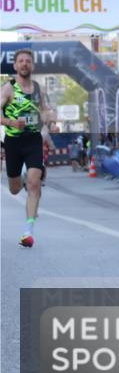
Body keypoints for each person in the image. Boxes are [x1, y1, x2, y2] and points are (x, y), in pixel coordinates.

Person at [2, 49, 52, 247]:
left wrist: (49, 118)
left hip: (33, 139)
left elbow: (45, 110)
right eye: (21, 61)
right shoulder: (8, 88)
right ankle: (20, 178)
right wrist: (11, 122)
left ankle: (28, 231)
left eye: (28, 61)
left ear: (32, 66)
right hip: (13, 142)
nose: (24, 64)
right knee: (15, 189)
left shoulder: (39, 89)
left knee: (34, 183)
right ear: (15, 66)